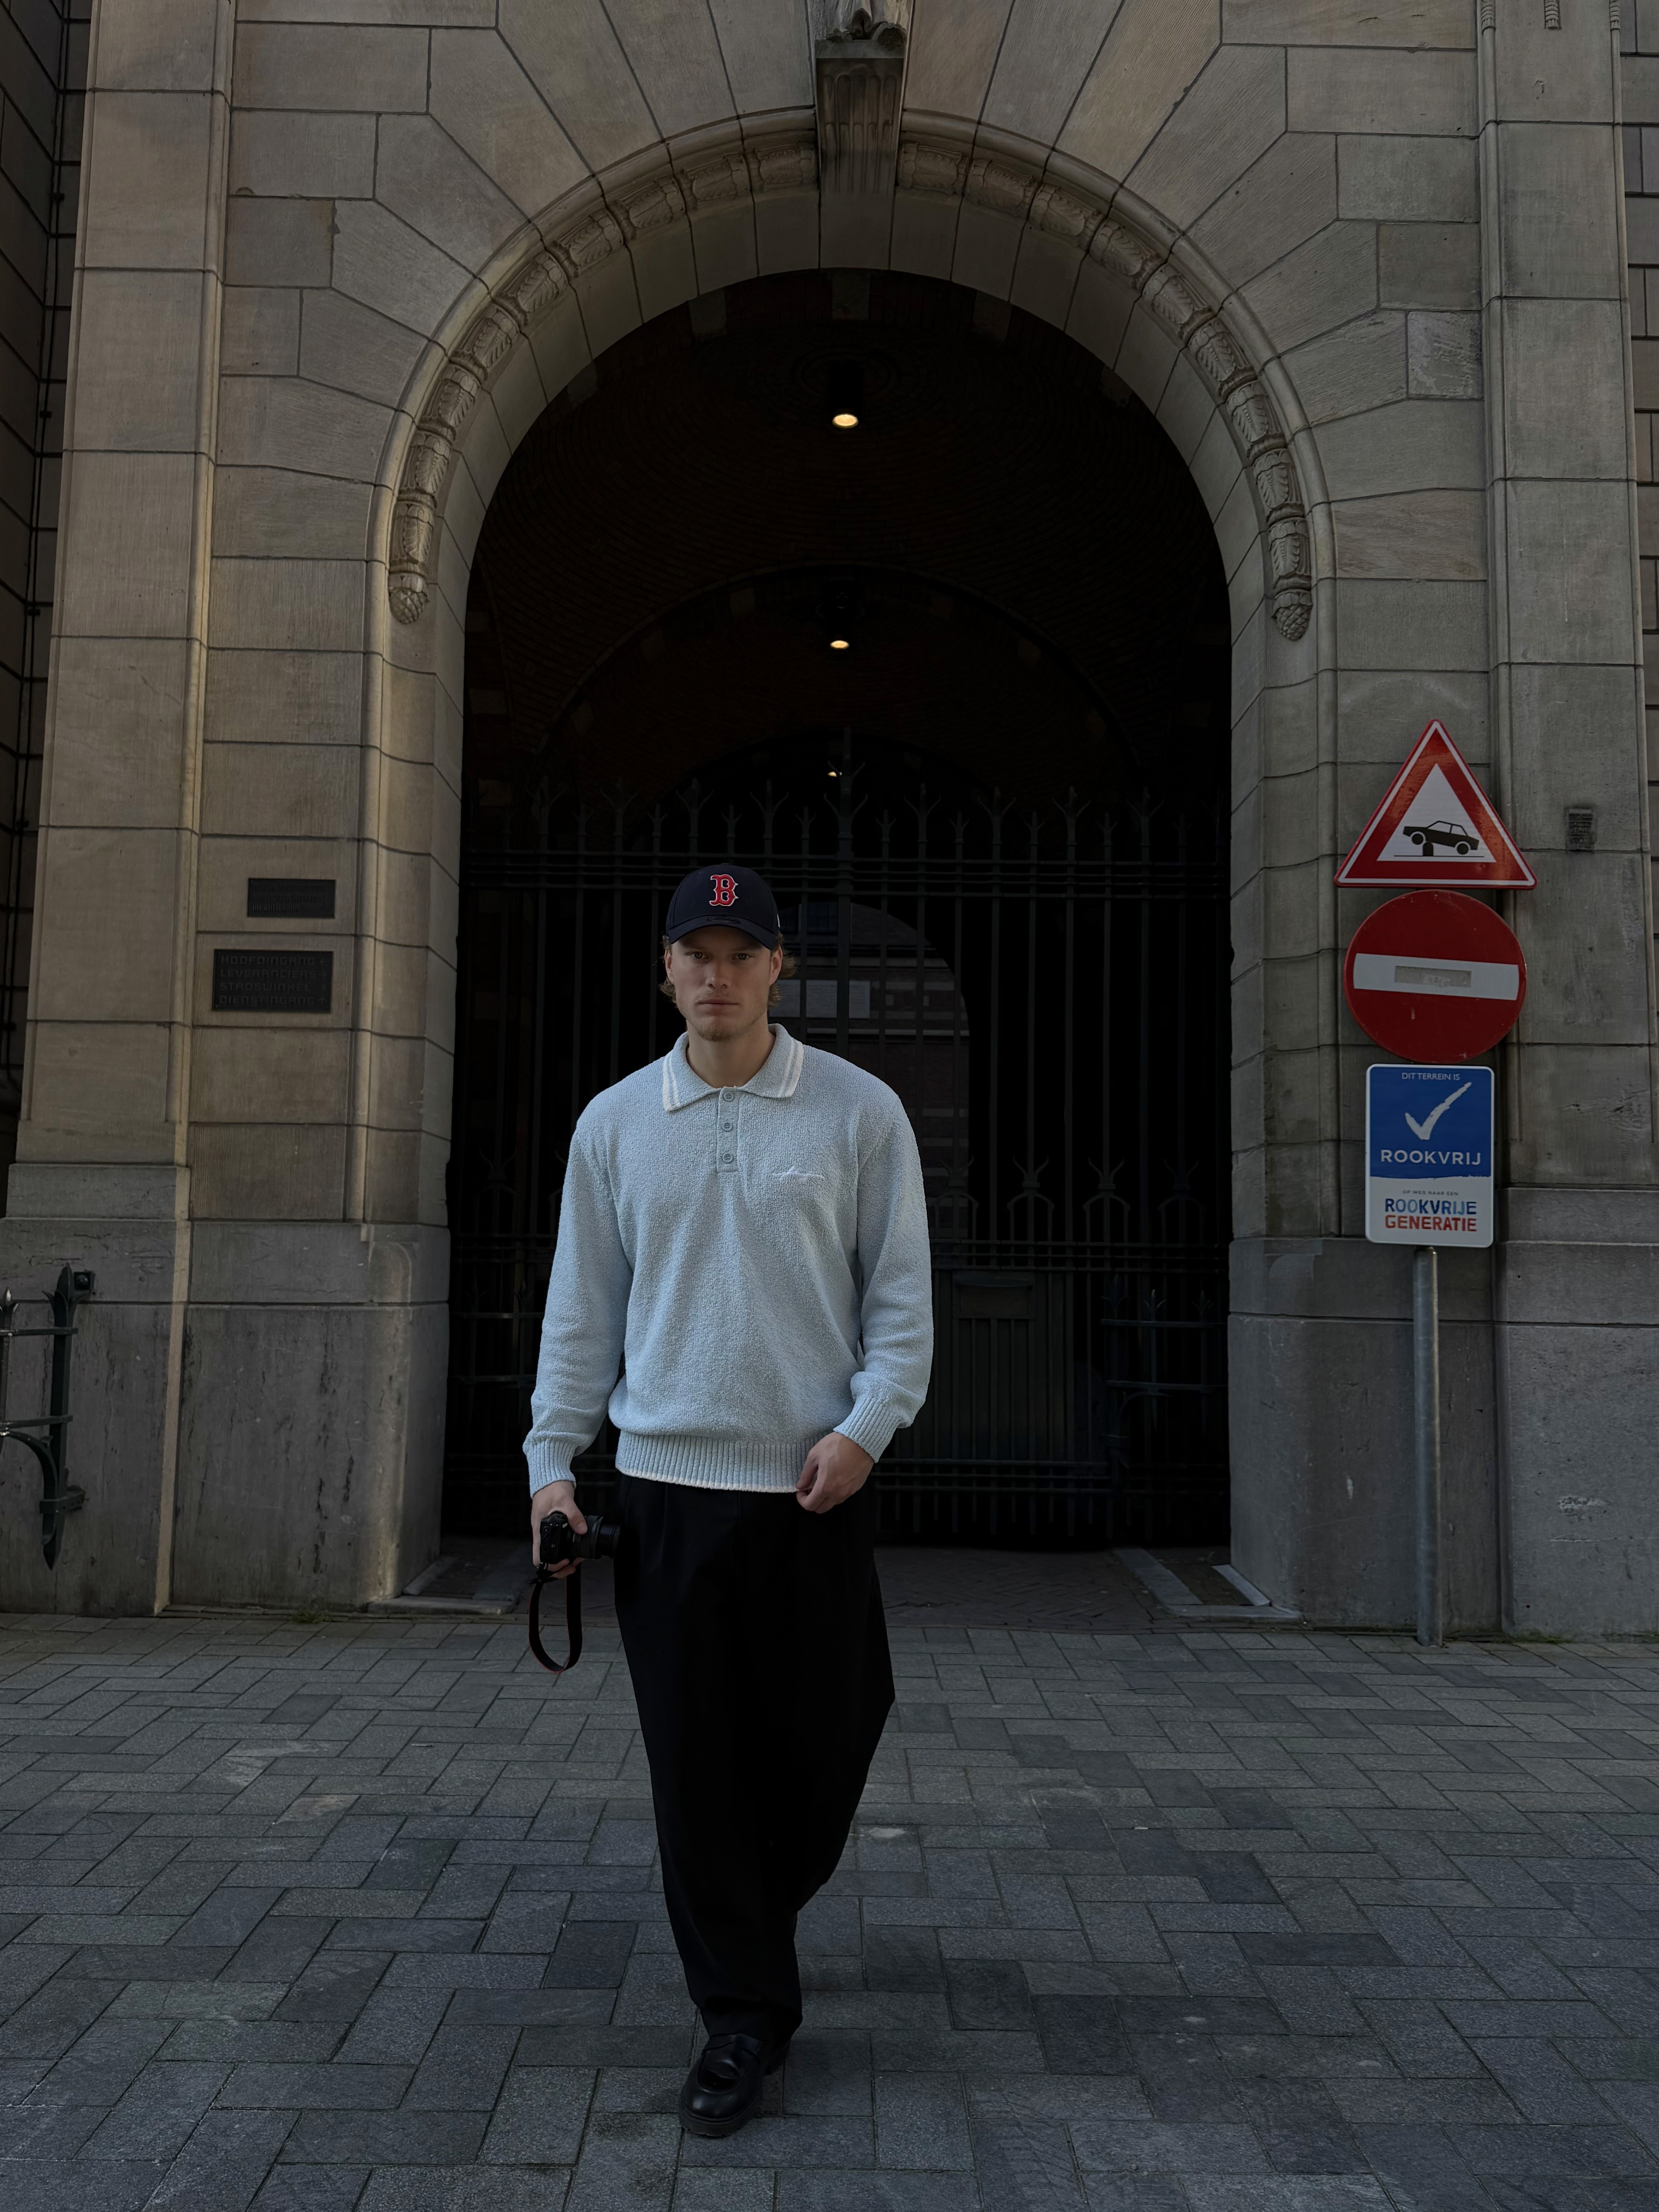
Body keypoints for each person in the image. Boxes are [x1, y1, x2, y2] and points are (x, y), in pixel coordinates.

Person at [524, 861, 934, 2137]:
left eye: (739, 953)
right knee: (696, 1769)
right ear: (664, 971)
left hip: (813, 1493)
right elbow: (580, 1311)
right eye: (694, 954)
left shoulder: (859, 1112)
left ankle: (749, 1918)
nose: (716, 975)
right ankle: (741, 2014)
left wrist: (866, 1430)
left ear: (776, 969)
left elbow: (901, 1303)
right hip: (663, 1493)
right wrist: (551, 1463)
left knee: (830, 1736)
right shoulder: (614, 1123)